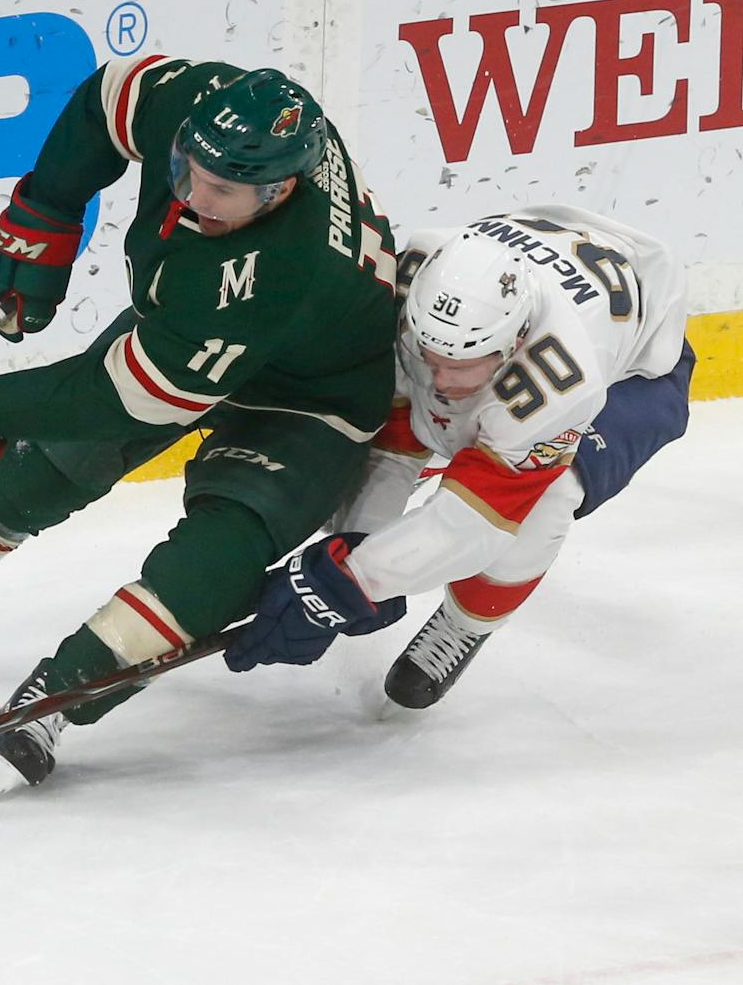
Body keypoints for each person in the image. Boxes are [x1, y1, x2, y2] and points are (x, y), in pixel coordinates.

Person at [0, 55, 400, 795]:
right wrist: (47, 213)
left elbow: (118, 398)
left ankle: (54, 699)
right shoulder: (208, 109)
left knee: (214, 561)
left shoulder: (276, 272)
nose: (190, 194)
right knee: (45, 465)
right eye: (186, 167)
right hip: (189, 333)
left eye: (219, 191)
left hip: (312, 395)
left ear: (279, 190)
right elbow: (105, 99)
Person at [222, 206, 694, 708]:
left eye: (463, 364)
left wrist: (356, 580)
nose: (443, 380)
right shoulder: (412, 279)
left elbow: (472, 523)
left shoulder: (564, 380)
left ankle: (465, 625)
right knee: (387, 411)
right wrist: (355, 551)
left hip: (635, 376)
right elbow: (397, 430)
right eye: (433, 356)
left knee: (545, 497)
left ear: (514, 342)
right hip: (552, 264)